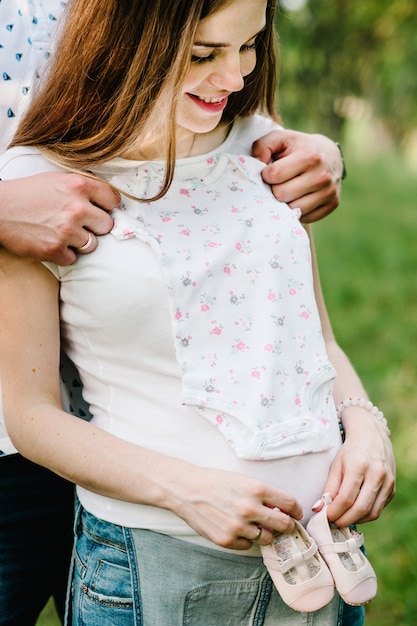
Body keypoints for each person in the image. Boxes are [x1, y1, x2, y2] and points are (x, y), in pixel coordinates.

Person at [0, 0, 395, 624]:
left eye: (251, 45)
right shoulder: (36, 184)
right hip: (157, 563)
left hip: (324, 561)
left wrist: (367, 426)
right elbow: (29, 416)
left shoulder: (263, 148)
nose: (236, 78)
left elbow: (315, 339)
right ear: (128, 42)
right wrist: (188, 493)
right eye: (203, 54)